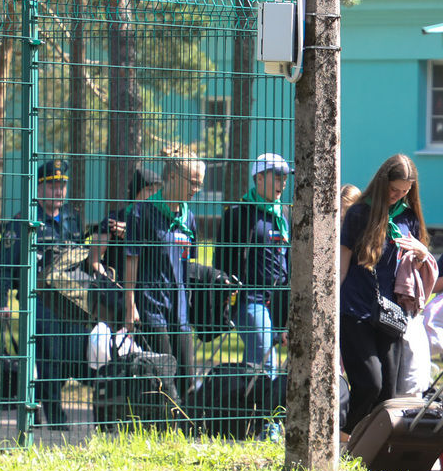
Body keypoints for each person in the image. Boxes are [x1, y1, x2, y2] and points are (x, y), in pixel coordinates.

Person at [0, 159, 85, 427]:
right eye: (52, 186)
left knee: (70, 355)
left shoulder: (71, 219)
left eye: (62, 186)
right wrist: (0, 302)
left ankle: (41, 400)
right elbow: (3, 266)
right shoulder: (23, 223)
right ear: (40, 189)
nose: (58, 192)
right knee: (50, 357)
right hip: (39, 303)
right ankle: (55, 417)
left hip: (71, 302)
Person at [339, 154, 429, 430]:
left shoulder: (408, 217)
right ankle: (345, 435)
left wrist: (423, 254)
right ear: (382, 184)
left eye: (405, 191)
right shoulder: (358, 213)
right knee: (370, 382)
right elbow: (341, 264)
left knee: (388, 392)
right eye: (394, 190)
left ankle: (370, 453)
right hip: (355, 309)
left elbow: (414, 264)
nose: (398, 196)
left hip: (392, 313)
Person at [124, 145, 206, 396]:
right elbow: (131, 260)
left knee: (187, 379)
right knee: (163, 378)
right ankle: (164, 432)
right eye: (192, 183)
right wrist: (130, 305)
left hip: (180, 309)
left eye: (199, 185)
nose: (196, 190)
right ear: (171, 177)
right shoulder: (141, 212)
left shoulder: (188, 218)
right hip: (151, 307)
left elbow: (188, 264)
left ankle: (186, 432)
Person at [216, 153, 291, 378]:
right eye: (277, 177)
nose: (283, 183)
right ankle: (263, 413)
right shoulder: (238, 214)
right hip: (249, 299)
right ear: (258, 177)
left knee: (255, 365)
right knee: (266, 363)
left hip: (279, 302)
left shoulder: (285, 213)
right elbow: (221, 261)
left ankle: (244, 409)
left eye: (285, 178)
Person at [89, 165, 161, 277]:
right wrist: (108, 282)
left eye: (157, 190)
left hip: (150, 286)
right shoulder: (114, 219)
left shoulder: (160, 221)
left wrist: (134, 234)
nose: (154, 194)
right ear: (136, 191)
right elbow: (94, 260)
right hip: (118, 286)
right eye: (149, 190)